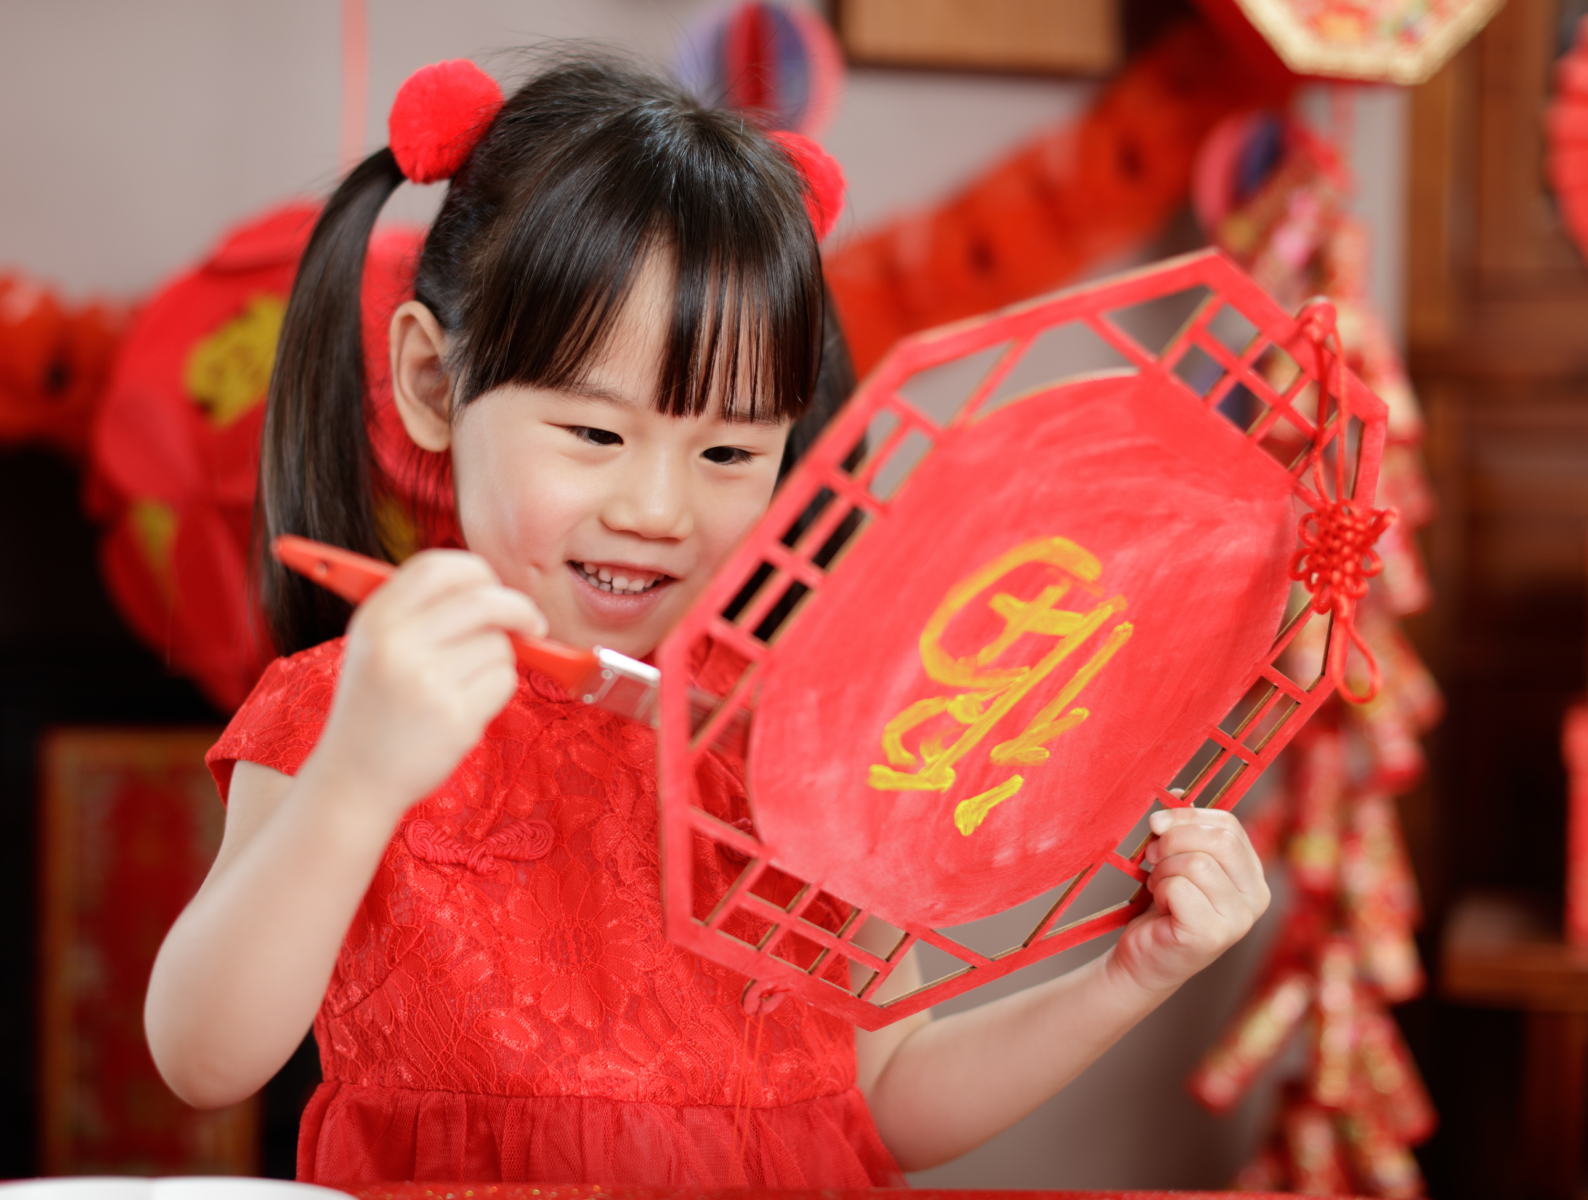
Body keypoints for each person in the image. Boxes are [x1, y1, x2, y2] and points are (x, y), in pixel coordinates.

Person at [144, 53, 1271, 1187]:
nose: (656, 509)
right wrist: (355, 781)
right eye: (594, 435)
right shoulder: (352, 707)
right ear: (436, 388)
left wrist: (1133, 974)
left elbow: (882, 1101)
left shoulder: (818, 741)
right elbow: (202, 1058)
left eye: (729, 451)